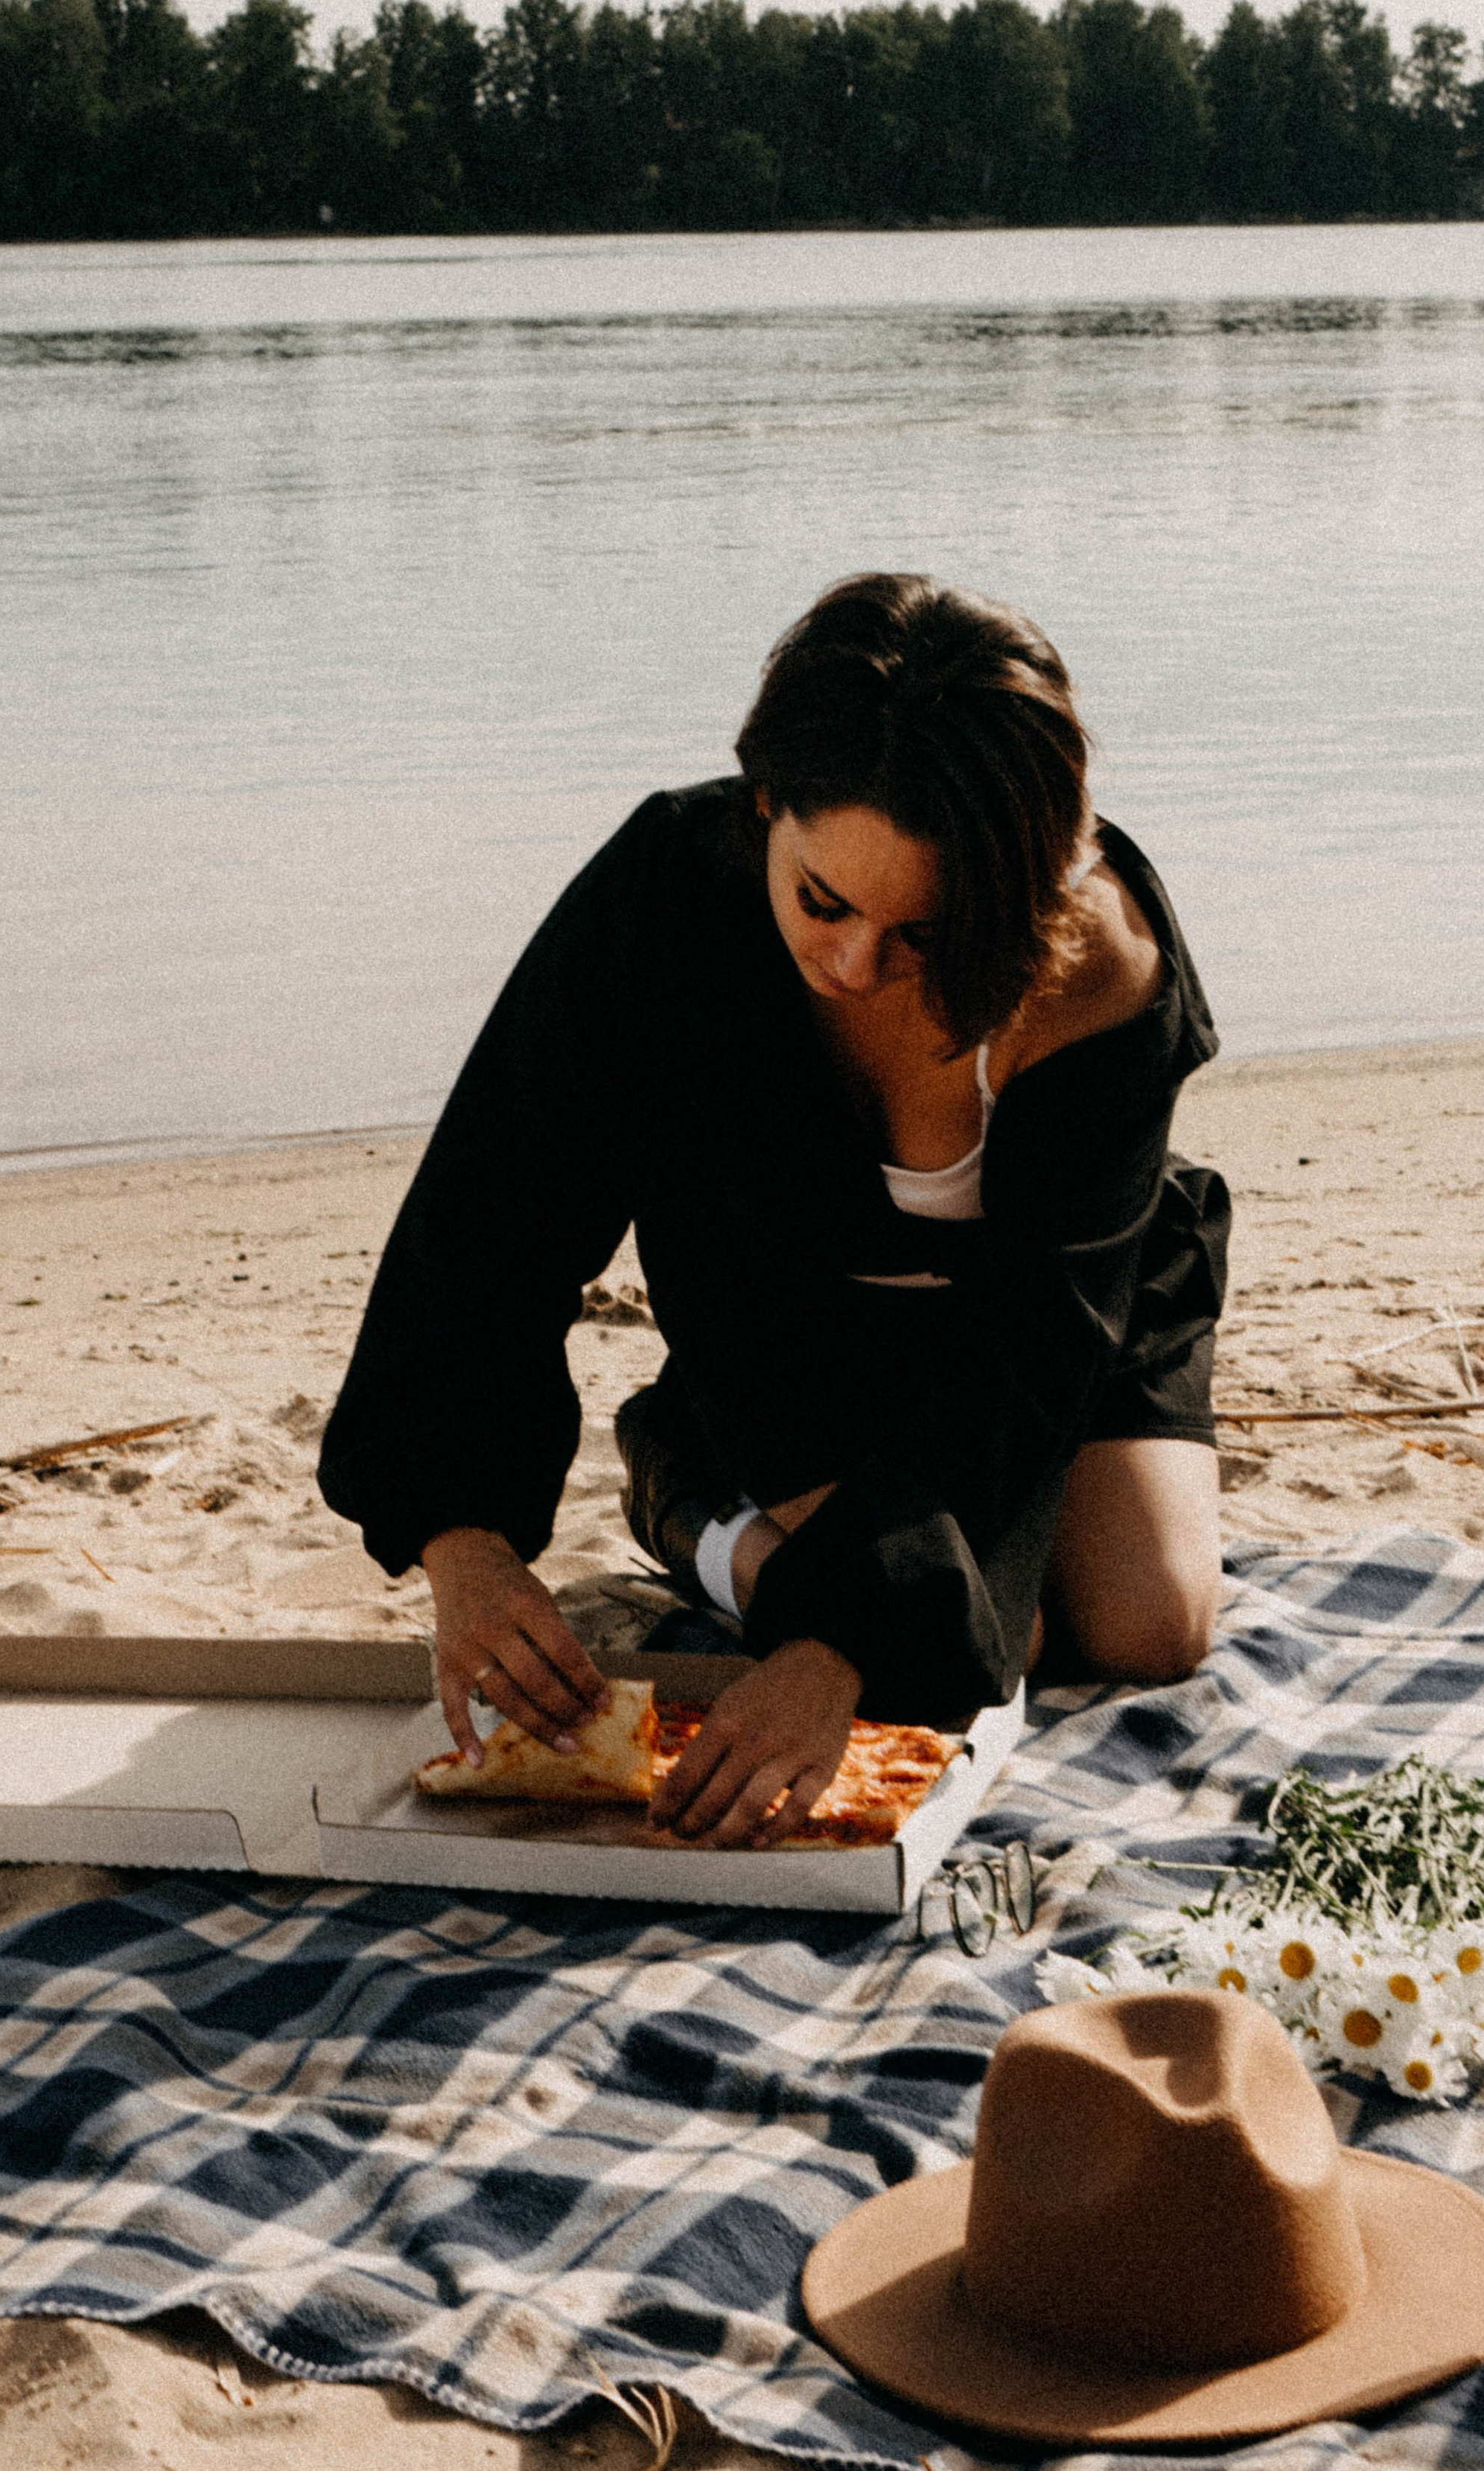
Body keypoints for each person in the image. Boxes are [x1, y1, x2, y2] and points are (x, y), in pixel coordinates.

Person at [319, 574, 1229, 1851]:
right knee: (991, 1635)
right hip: (789, 1308)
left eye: (923, 930)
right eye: (821, 899)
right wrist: (461, 1542)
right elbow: (490, 1214)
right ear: (766, 803)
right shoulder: (663, 900)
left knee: (1153, 1626)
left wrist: (831, 1649)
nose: (855, 964)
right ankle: (686, 1474)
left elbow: (1036, 1353)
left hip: (1059, 1294)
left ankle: (767, 1551)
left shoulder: (1102, 968)